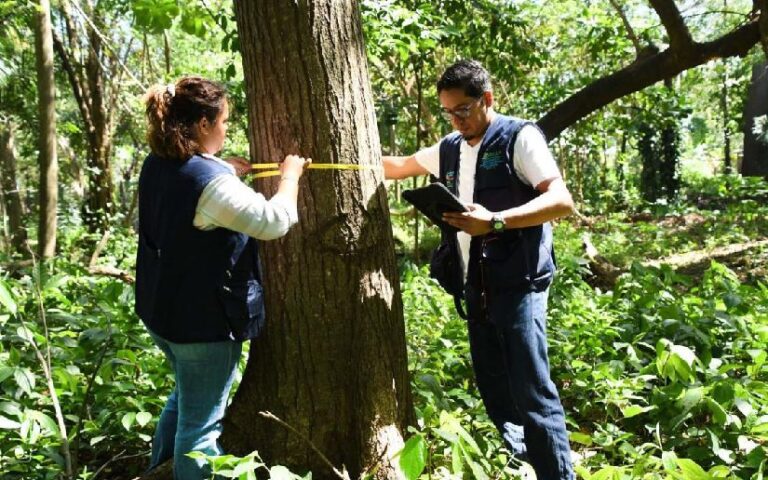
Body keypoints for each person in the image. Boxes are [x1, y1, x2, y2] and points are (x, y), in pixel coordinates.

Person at [383, 60, 575, 479]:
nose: (456, 120)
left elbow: (562, 200)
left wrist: (497, 221)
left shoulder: (519, 138)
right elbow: (396, 167)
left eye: (463, 110)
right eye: (448, 112)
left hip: (520, 284)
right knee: (495, 391)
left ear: (486, 99)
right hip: (477, 286)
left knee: (531, 391)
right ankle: (526, 466)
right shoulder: (451, 146)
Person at [136, 76, 310, 479]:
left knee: (185, 401)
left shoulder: (160, 162)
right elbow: (273, 221)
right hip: (201, 326)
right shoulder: (210, 184)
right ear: (202, 124)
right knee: (200, 428)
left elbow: (198, 194)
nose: (226, 129)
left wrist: (224, 170)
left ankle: (155, 472)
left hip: (163, 313)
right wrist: (290, 177)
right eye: (224, 122)